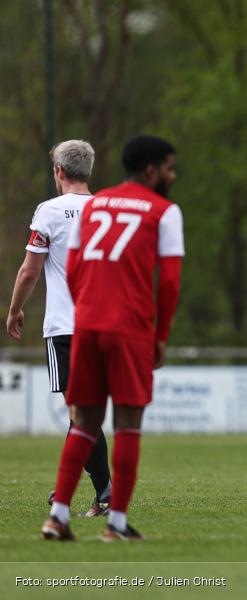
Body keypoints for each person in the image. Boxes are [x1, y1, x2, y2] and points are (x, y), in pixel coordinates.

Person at [40, 134, 183, 542]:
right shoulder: (164, 211)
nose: (172, 176)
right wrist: (160, 335)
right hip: (129, 328)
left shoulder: (96, 205)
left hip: (85, 325)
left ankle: (58, 517)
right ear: (152, 170)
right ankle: (116, 524)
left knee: (83, 422)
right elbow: (170, 282)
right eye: (170, 168)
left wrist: (86, 309)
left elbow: (74, 269)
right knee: (127, 423)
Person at [6, 140, 112, 517]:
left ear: (59, 172)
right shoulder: (109, 211)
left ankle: (99, 492)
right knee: (84, 412)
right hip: (104, 327)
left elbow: (29, 270)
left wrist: (15, 309)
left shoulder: (49, 211)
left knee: (80, 414)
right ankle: (94, 491)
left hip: (67, 328)